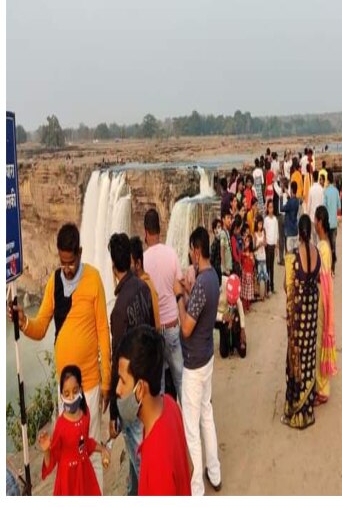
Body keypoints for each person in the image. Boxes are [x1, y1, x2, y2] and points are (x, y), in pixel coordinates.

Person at [8, 223, 110, 490]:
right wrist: (22, 322)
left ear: (80, 252)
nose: (67, 268)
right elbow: (41, 326)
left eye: (71, 262)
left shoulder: (93, 279)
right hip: (64, 390)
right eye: (63, 263)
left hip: (88, 385)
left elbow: (103, 332)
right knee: (66, 452)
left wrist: (107, 382)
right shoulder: (54, 282)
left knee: (92, 450)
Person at [115, 326, 192, 495]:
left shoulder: (156, 458)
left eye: (122, 381)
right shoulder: (170, 405)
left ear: (140, 388)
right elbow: (189, 467)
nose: (118, 390)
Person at [175, 227, 222, 496]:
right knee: (207, 415)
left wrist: (180, 295)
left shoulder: (202, 284)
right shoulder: (212, 277)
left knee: (191, 428)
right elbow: (201, 307)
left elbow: (186, 328)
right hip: (207, 357)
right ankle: (214, 472)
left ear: (195, 250)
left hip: (194, 364)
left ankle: (196, 490)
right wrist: (189, 291)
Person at [107, 233, 155, 495]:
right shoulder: (143, 288)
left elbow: (117, 359)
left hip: (132, 392)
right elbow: (152, 330)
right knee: (143, 445)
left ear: (115, 267)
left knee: (138, 452)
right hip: (149, 382)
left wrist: (114, 410)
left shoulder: (118, 310)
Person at [39, 365, 110, 496]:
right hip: (67, 480)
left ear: (81, 390)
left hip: (84, 474)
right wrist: (46, 450)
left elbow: (85, 443)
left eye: (75, 391)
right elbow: (52, 460)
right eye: (67, 393)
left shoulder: (85, 414)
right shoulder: (61, 425)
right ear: (61, 396)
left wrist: (102, 449)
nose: (71, 397)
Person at [282, 215, 321, 429]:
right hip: (312, 317)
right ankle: (307, 410)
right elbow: (317, 283)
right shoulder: (316, 253)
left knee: (295, 360)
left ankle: (294, 409)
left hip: (298, 320)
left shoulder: (293, 258)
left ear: (299, 232)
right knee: (308, 360)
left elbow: (288, 289)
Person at [143, 209, 184, 403]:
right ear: (160, 229)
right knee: (181, 380)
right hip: (173, 326)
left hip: (156, 330)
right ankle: (189, 425)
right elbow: (179, 287)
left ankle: (163, 428)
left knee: (158, 386)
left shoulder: (143, 260)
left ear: (145, 232)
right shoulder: (172, 254)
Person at [314, 206, 337, 405]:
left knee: (320, 342)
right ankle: (321, 385)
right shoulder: (326, 245)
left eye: (315, 220)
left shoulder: (322, 247)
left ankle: (322, 389)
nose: (314, 224)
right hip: (326, 297)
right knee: (321, 340)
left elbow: (320, 277)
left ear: (320, 222)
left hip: (321, 298)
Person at [129, 236, 161, 331]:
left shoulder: (146, 288)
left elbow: (156, 326)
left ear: (138, 264)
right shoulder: (142, 284)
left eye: (129, 263)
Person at [323, 171, 341, 275]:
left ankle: (328, 268)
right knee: (333, 246)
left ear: (327, 180)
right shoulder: (336, 191)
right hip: (334, 223)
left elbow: (324, 208)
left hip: (327, 224)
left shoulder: (325, 192)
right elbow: (339, 207)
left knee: (327, 246)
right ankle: (333, 270)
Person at [281, 181, 301, 253]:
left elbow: (282, 208)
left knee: (289, 253)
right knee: (295, 252)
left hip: (289, 231)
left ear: (292, 190)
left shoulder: (290, 202)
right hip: (295, 230)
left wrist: (281, 197)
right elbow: (291, 201)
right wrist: (287, 194)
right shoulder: (297, 200)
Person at [264, 201, 279, 294]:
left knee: (272, 267)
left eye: (272, 207)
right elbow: (265, 231)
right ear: (267, 209)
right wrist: (265, 241)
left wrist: (277, 245)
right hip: (268, 245)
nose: (271, 209)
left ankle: (272, 286)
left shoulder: (275, 220)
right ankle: (267, 286)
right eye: (269, 207)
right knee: (267, 266)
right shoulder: (266, 220)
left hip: (273, 245)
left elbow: (276, 232)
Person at [307, 171, 324, 243]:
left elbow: (309, 204)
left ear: (313, 178)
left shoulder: (311, 189)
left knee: (314, 237)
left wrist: (307, 214)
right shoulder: (321, 189)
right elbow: (323, 203)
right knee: (319, 235)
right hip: (320, 216)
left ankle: (315, 251)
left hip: (312, 216)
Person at [254, 217, 268, 300]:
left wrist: (264, 243)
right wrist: (259, 245)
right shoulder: (255, 234)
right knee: (259, 274)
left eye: (261, 224)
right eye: (259, 224)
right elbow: (254, 247)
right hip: (258, 256)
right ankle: (260, 293)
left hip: (263, 256)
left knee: (265, 274)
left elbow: (266, 243)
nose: (260, 225)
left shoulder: (263, 232)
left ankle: (265, 292)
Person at [240, 230, 255, 312]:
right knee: (244, 290)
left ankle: (248, 305)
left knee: (248, 290)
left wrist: (251, 258)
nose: (246, 243)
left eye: (248, 241)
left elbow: (253, 264)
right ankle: (244, 306)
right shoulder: (243, 252)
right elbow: (241, 258)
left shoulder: (251, 253)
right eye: (245, 241)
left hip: (249, 273)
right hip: (244, 272)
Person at [219, 209, 233, 277]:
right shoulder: (222, 233)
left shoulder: (227, 232)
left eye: (230, 218)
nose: (229, 220)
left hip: (229, 267)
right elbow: (222, 251)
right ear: (223, 219)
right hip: (225, 270)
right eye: (228, 218)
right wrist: (224, 269)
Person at [209, 219, 223, 284]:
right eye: (218, 227)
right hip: (216, 271)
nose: (220, 229)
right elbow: (211, 259)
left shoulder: (221, 241)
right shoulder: (215, 243)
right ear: (214, 230)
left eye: (221, 227)